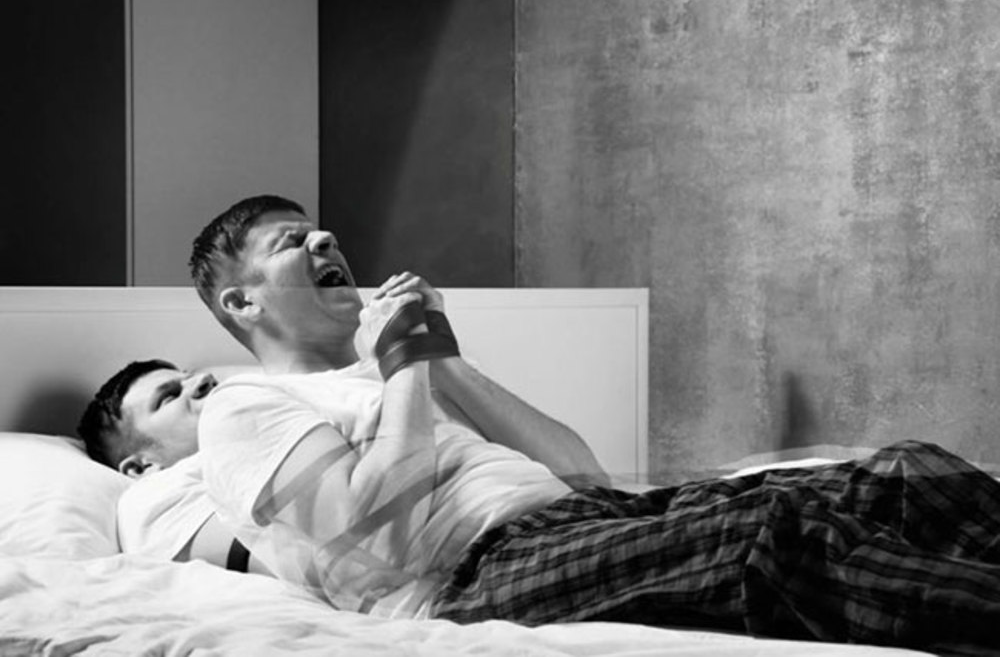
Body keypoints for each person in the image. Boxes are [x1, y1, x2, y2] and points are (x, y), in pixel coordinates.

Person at [181, 193, 1000, 652]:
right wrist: (400, 363)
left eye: (321, 230)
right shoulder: (243, 409)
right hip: (472, 577)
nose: (327, 237)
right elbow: (383, 538)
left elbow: (581, 474)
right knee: (777, 535)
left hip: (582, 521)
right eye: (293, 241)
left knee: (898, 475)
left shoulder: (402, 370)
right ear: (243, 302)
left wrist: (438, 354)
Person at [77, 360, 269, 575]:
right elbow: (280, 555)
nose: (205, 378)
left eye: (189, 378)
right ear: (141, 467)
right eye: (170, 396)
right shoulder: (151, 500)